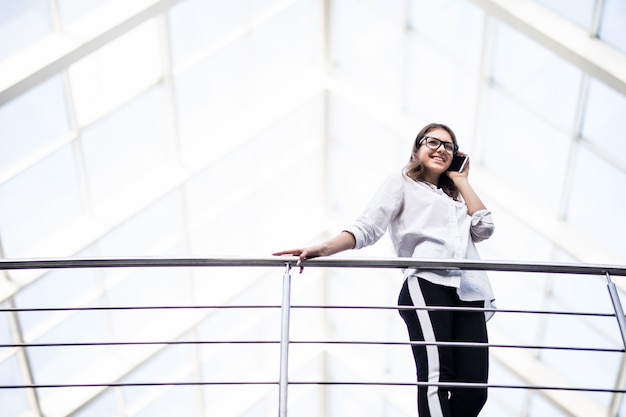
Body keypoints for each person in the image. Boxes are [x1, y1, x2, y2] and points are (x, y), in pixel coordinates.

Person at [273, 122, 495, 417]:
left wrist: (461, 180)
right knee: (437, 377)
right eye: (432, 142)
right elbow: (368, 228)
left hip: (470, 292)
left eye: (449, 146)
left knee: (474, 392)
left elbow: (484, 227)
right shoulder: (401, 183)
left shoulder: (455, 199)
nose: (441, 149)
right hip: (427, 285)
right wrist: (321, 249)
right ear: (417, 149)